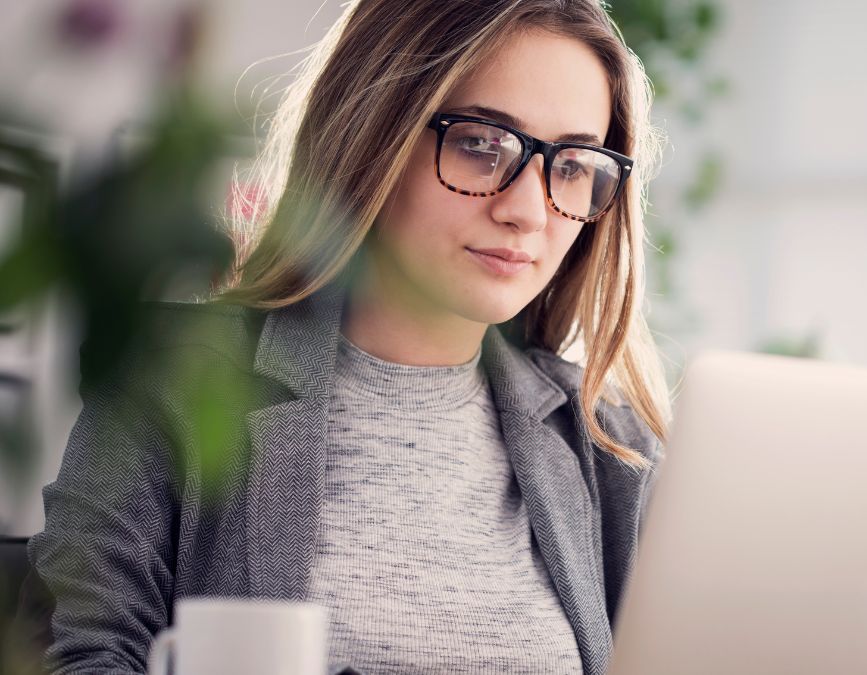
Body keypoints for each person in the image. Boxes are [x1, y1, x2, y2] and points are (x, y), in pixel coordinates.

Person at [27, 0, 671, 673]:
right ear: (373, 133)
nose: (527, 210)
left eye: (571, 165)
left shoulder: (609, 444)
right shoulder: (178, 376)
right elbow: (74, 654)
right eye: (481, 144)